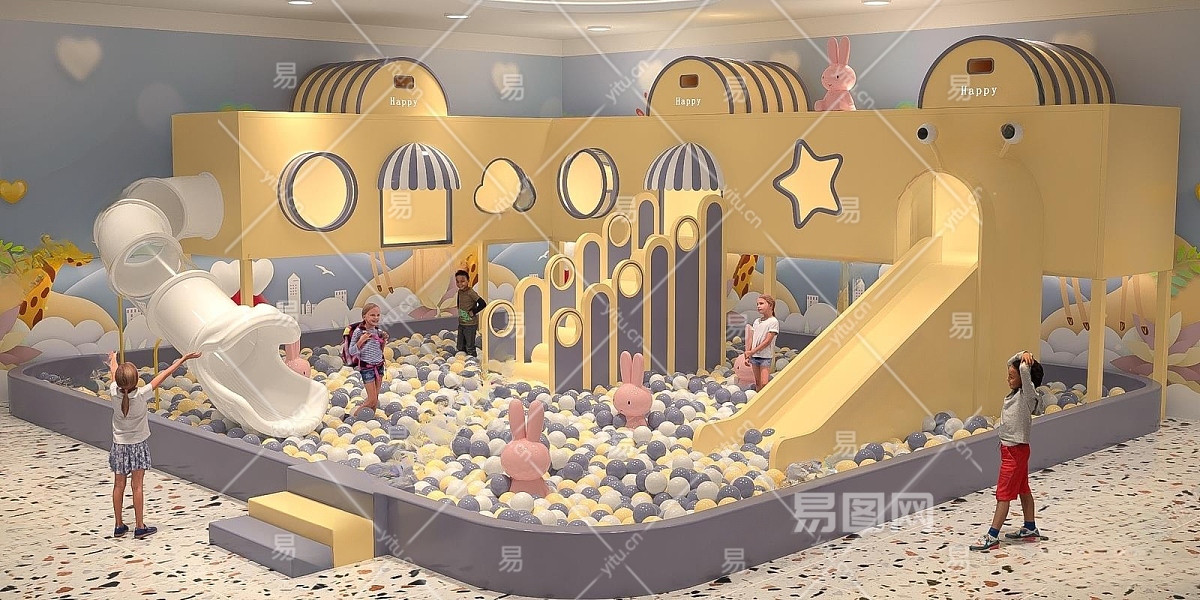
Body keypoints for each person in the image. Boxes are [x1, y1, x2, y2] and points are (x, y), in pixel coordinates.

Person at [107, 349, 202, 540]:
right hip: (138, 445)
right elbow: (164, 374)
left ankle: (118, 525)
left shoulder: (113, 391)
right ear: (136, 380)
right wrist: (183, 359)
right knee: (137, 487)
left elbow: (114, 373)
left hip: (119, 446)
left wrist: (113, 359)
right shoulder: (142, 394)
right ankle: (139, 526)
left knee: (118, 486)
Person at [970, 350, 1044, 551]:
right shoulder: (1015, 395)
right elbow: (1010, 362)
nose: (1008, 380)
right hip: (1012, 450)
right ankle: (1030, 527)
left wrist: (1026, 360)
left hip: (1015, 452)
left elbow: (1024, 372)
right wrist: (1022, 354)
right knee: (1023, 489)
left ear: (1025, 378)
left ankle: (992, 536)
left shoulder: (1027, 396)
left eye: (1012, 377)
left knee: (1003, 495)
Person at [348, 303, 388, 413]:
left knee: (375, 399)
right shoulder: (359, 332)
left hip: (379, 366)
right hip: (367, 368)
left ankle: (371, 417)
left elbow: (380, 351)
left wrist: (384, 341)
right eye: (372, 315)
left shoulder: (378, 332)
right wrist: (361, 340)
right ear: (364, 317)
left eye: (378, 315)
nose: (376, 318)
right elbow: (351, 351)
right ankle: (354, 416)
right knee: (371, 400)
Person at [744, 295, 779, 391]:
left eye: (761, 303)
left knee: (764, 383)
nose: (758, 306)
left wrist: (752, 351)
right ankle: (758, 398)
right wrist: (748, 354)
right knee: (757, 382)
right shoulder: (757, 321)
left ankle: (766, 398)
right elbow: (752, 338)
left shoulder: (773, 322)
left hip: (765, 356)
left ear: (770, 305)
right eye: (757, 304)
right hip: (754, 356)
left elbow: (767, 341)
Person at [455, 270, 486, 358]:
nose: (460, 284)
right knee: (460, 346)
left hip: (470, 324)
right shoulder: (460, 292)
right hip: (462, 323)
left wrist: (473, 311)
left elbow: (482, 303)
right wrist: (459, 308)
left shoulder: (471, 292)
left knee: (470, 346)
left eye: (462, 281)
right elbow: (459, 301)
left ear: (468, 281)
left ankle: (472, 359)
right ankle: (463, 358)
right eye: (457, 281)